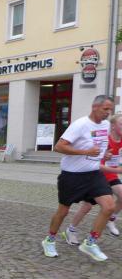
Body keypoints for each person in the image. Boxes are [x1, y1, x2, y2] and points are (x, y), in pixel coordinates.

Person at [42, 95, 116, 261]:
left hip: (94, 174)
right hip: (72, 176)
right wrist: (85, 152)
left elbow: (98, 146)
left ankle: (90, 243)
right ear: (95, 107)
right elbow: (59, 146)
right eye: (105, 109)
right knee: (63, 211)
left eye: (110, 110)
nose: (108, 113)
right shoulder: (80, 124)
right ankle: (49, 240)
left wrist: (105, 154)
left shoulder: (105, 125)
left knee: (109, 207)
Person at [62, 113, 122, 241]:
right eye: (121, 124)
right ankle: (71, 230)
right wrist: (116, 169)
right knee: (87, 206)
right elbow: (96, 163)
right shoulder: (103, 138)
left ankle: (111, 219)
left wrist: (117, 168)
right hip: (96, 174)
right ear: (112, 126)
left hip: (111, 175)